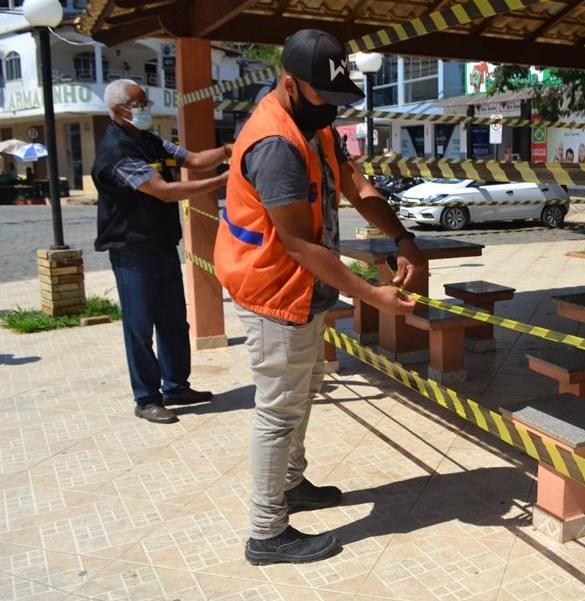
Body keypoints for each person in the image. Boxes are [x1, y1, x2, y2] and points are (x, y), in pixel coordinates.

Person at [214, 29, 426, 566]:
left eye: (338, 100)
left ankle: (291, 485)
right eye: (322, 99)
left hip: (304, 288)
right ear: (290, 84)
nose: (331, 112)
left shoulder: (318, 128)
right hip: (273, 290)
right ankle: (266, 532)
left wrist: (402, 237)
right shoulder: (276, 144)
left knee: (305, 390)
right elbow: (301, 244)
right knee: (278, 411)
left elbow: (358, 187)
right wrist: (371, 296)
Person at [92, 79, 232, 424]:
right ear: (118, 111)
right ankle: (146, 398)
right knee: (140, 327)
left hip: (163, 245)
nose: (145, 109)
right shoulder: (116, 151)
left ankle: (175, 386)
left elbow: (196, 158)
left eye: (145, 102)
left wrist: (231, 149)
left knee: (173, 322)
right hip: (133, 251)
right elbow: (164, 192)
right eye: (138, 105)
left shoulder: (150, 141)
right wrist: (225, 180)